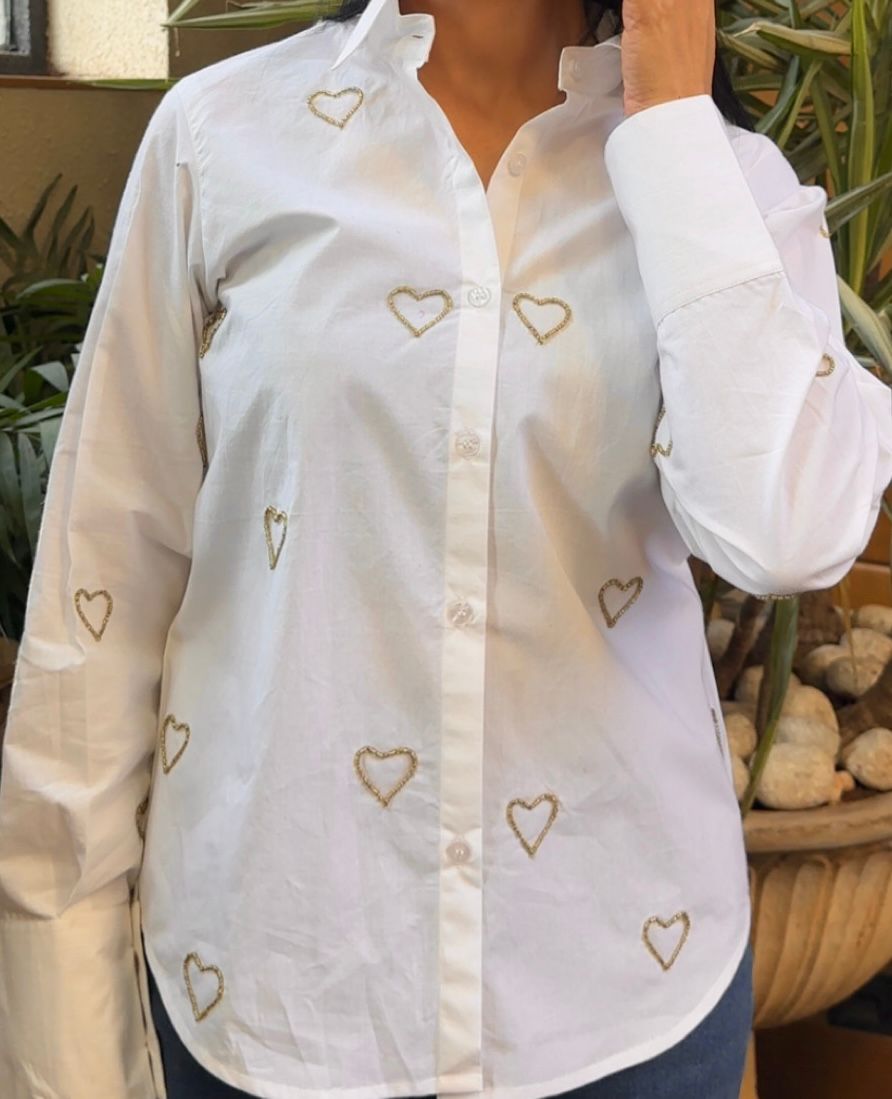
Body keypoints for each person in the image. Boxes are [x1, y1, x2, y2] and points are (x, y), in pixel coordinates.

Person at [1, 1, 890, 1097]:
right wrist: (64, 1027)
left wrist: (668, 127)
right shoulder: (221, 134)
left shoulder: (724, 180)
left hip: (624, 1003)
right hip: (280, 1000)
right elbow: (104, 581)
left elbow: (786, 532)